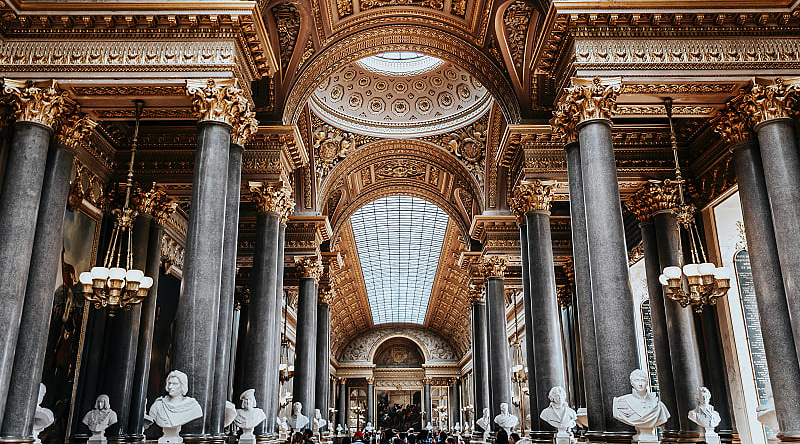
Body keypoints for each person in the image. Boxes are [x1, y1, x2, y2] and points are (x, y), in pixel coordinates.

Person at [612, 369, 669, 442]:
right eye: (636, 380)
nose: (640, 384)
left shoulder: (659, 405)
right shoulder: (621, 403)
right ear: (632, 383)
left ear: (647, 383)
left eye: (643, 380)